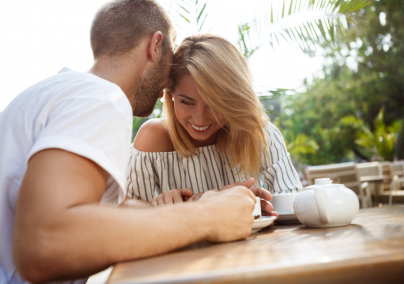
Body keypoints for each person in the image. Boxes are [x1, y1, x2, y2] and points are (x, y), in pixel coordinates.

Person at [0, 2, 259, 284]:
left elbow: (99, 212)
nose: (166, 90)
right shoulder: (101, 100)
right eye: (171, 60)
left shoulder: (56, 92)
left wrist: (197, 203)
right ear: (155, 46)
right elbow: (44, 246)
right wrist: (208, 217)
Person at [127, 34, 302, 209]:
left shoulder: (259, 134)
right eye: (186, 102)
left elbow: (294, 204)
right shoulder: (152, 140)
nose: (199, 119)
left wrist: (260, 206)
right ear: (171, 94)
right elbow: (125, 219)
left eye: (215, 104)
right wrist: (163, 208)